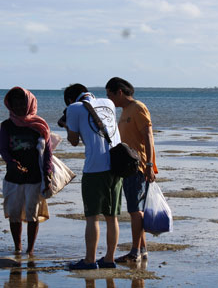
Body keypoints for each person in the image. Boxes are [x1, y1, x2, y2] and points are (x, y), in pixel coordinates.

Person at [59, 83, 123, 270]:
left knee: (92, 217)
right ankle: (110, 258)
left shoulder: (73, 108)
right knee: (112, 217)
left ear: (70, 100)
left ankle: (89, 260)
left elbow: (73, 141)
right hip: (117, 165)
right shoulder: (109, 103)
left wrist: (65, 125)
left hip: (95, 167)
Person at [105, 77, 158, 262]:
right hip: (126, 167)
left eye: (109, 95)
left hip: (138, 167)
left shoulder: (138, 108)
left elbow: (148, 136)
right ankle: (142, 250)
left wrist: (149, 165)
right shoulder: (125, 110)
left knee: (136, 211)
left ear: (119, 92)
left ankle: (134, 252)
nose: (108, 99)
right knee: (135, 210)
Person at [0, 87, 53, 257]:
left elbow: (48, 153)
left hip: (35, 177)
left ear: (30, 104)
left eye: (23, 104)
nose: (20, 108)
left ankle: (30, 250)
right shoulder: (7, 125)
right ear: (10, 105)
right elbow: (3, 149)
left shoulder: (40, 126)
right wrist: (12, 163)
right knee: (14, 214)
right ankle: (17, 247)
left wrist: (48, 173)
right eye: (16, 104)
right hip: (13, 177)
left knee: (32, 214)